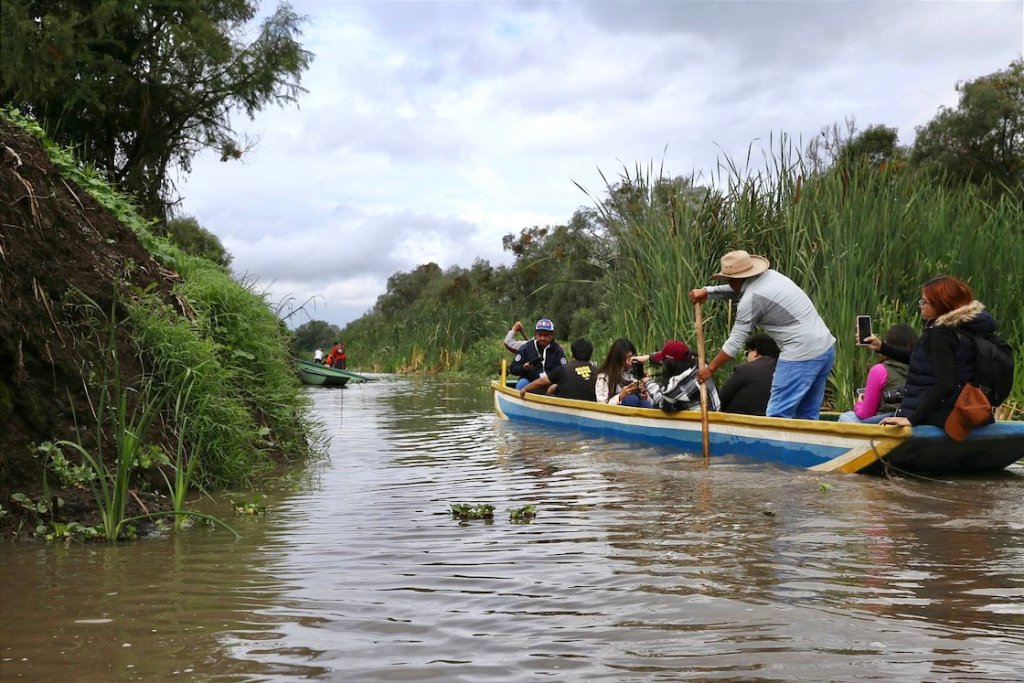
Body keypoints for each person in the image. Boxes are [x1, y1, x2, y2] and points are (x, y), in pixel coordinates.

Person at [689, 250, 836, 420]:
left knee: (777, 415)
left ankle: (775, 447)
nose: (729, 283)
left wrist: (710, 369)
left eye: (729, 280)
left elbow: (735, 343)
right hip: (825, 349)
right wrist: (708, 291)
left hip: (801, 354)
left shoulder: (751, 299)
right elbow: (738, 289)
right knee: (807, 415)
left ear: (737, 279)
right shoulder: (771, 276)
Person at [867, 276, 999, 431]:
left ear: (941, 304)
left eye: (925, 302)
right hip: (960, 412)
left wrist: (912, 419)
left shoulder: (941, 334)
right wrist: (882, 347)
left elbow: (944, 384)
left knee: (859, 426)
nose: (921, 306)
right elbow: (924, 361)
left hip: (935, 416)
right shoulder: (966, 329)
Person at [838, 324, 917, 423]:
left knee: (846, 416)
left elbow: (865, 414)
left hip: (883, 423)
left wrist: (858, 404)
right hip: (909, 420)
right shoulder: (919, 369)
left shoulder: (880, 370)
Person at [635, 340, 721, 412]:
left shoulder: (678, 390)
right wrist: (648, 357)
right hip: (715, 412)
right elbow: (673, 356)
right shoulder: (701, 366)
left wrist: (645, 379)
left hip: (702, 424)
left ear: (670, 365)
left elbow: (660, 402)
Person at [717, 333, 780, 415]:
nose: (746, 358)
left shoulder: (744, 370)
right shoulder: (785, 373)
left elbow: (721, 400)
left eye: (747, 354)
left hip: (738, 422)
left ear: (756, 352)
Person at [519, 338, 597, 401]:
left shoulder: (562, 369)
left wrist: (525, 388)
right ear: (590, 354)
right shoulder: (597, 371)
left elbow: (541, 382)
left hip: (566, 405)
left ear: (573, 353)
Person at [509, 318, 567, 391]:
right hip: (530, 381)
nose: (542, 338)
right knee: (521, 384)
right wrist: (523, 368)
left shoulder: (558, 351)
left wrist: (555, 384)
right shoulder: (526, 348)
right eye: (540, 335)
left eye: (546, 335)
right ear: (535, 335)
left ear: (552, 335)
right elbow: (513, 368)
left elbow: (564, 370)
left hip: (550, 382)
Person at [595, 338, 653, 407]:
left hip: (639, 410)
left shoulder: (634, 373)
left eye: (630, 357)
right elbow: (602, 406)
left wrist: (644, 392)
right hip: (615, 414)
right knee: (631, 399)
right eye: (624, 358)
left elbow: (652, 402)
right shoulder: (604, 377)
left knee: (644, 401)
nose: (627, 362)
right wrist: (620, 396)